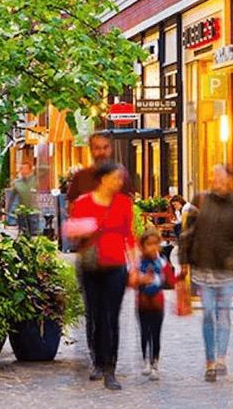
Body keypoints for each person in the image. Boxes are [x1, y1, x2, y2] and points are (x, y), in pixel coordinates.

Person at [66, 161, 135, 391]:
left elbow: (129, 236)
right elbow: (71, 232)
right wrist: (85, 228)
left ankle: (110, 369)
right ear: (104, 179)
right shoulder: (84, 203)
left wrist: (134, 267)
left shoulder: (124, 203)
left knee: (111, 317)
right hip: (90, 266)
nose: (120, 182)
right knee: (94, 315)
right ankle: (96, 360)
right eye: (116, 177)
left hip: (116, 265)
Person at [179, 164, 233, 382]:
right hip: (203, 266)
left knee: (223, 315)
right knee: (208, 313)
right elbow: (187, 232)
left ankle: (221, 358)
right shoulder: (200, 199)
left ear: (230, 179)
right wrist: (184, 260)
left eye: (220, 176)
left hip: (226, 270)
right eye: (214, 176)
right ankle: (209, 361)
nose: (216, 179)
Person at [132, 228, 180, 380]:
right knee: (144, 333)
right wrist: (140, 279)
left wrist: (180, 277)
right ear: (142, 246)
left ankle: (155, 362)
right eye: (149, 244)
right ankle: (146, 360)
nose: (153, 247)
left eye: (155, 244)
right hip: (142, 303)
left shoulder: (162, 262)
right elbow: (131, 280)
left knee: (156, 333)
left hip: (158, 303)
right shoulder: (138, 263)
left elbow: (171, 281)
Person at [66, 131, 134, 203]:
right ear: (91, 150)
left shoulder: (121, 175)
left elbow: (129, 201)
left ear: (111, 149)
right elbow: (71, 206)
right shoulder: (81, 177)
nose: (102, 152)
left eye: (105, 147)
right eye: (97, 148)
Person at [9, 158, 41, 237]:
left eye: (25, 169)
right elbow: (11, 198)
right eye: (21, 169)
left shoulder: (37, 181)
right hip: (22, 212)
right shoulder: (17, 183)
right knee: (23, 234)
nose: (22, 171)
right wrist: (8, 211)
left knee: (34, 234)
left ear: (30, 170)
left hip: (34, 211)